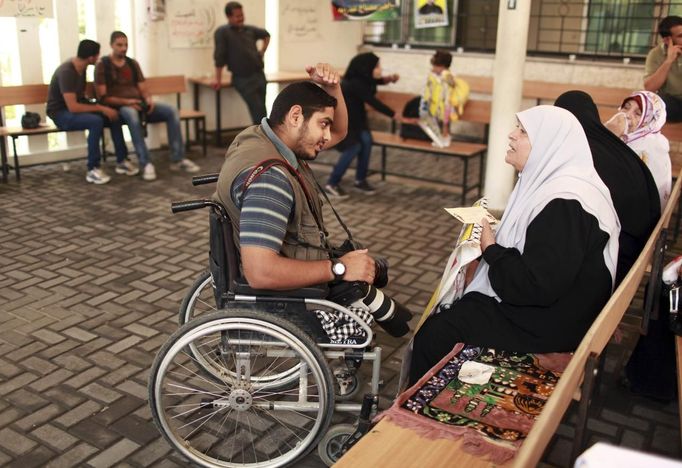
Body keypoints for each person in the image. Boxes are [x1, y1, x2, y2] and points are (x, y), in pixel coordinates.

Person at [409, 105, 620, 385]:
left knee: (436, 333)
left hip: (553, 322)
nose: (511, 135)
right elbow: (545, 250)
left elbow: (534, 287)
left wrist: (491, 248)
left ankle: (422, 416)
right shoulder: (563, 185)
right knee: (459, 309)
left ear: (549, 145)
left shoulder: (566, 203)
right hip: (563, 306)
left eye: (522, 131)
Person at [213, 63, 412, 339]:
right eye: (323, 124)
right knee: (364, 302)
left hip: (285, 261)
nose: (328, 136)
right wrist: (339, 268)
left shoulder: (263, 138)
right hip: (283, 296)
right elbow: (260, 272)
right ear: (296, 116)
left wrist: (332, 88)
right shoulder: (270, 180)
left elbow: (342, 132)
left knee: (372, 270)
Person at [555, 90, 660, 286]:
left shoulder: (584, 156)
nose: (628, 116)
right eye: (626, 108)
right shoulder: (621, 149)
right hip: (634, 250)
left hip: (613, 263)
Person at [95, 31, 200, 181]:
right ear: (111, 45)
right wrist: (128, 102)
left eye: (126, 45)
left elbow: (143, 87)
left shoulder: (132, 63)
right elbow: (103, 97)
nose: (123, 48)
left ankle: (178, 158)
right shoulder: (103, 65)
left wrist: (148, 99)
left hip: (139, 103)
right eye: (119, 45)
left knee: (171, 111)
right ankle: (146, 163)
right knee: (132, 115)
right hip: (121, 107)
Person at [46, 39, 126, 185]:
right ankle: (93, 168)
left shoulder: (81, 69)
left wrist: (103, 108)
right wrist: (101, 108)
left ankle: (122, 161)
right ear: (91, 57)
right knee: (95, 121)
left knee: (113, 115)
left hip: (73, 108)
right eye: (97, 55)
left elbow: (80, 99)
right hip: (60, 114)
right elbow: (73, 107)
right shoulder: (67, 72)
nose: (98, 58)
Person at [324, 52, 400, 199]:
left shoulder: (362, 78)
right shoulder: (355, 84)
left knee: (367, 141)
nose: (379, 68)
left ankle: (360, 180)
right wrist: (395, 115)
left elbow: (374, 81)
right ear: (367, 67)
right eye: (376, 66)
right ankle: (331, 183)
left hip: (358, 122)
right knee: (354, 147)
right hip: (346, 124)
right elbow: (373, 101)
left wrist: (388, 79)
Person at [604, 90, 672, 210]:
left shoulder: (646, 147)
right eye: (626, 107)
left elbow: (614, 181)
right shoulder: (633, 139)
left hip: (633, 218)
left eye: (638, 113)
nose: (627, 115)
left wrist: (609, 137)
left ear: (649, 121)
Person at [212, 1, 270, 125]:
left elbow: (266, 35)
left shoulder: (249, 29)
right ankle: (262, 139)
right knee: (258, 111)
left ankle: (264, 137)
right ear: (229, 17)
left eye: (242, 15)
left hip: (259, 75)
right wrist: (218, 79)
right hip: (242, 79)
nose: (241, 19)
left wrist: (262, 51)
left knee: (262, 110)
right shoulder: (223, 33)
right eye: (237, 16)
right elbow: (219, 57)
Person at [644, 16, 682, 122]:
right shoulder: (655, 54)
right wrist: (669, 60)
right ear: (667, 40)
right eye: (680, 36)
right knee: (651, 103)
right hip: (672, 102)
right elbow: (650, 87)